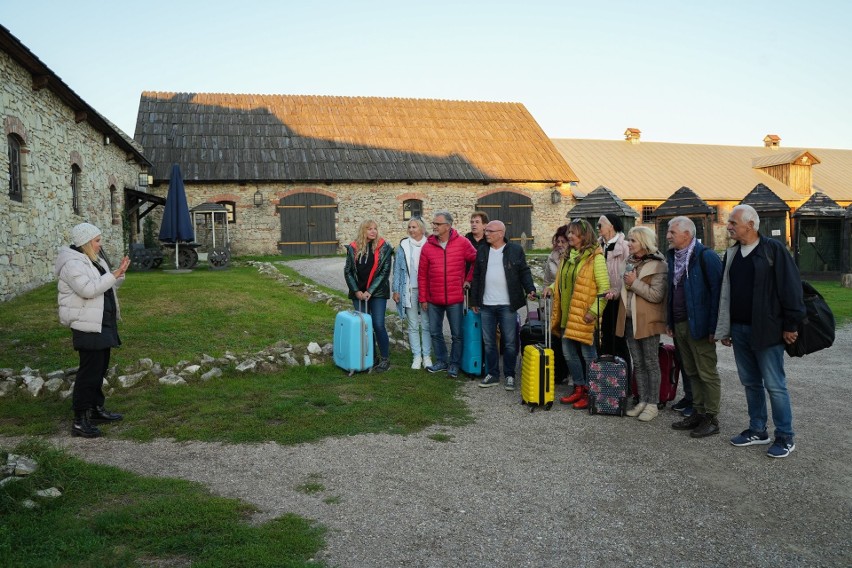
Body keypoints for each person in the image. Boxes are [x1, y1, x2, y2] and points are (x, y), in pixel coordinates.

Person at [715, 205, 805, 458]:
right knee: (751, 382)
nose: (729, 226)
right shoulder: (731, 253)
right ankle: (757, 429)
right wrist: (726, 327)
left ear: (751, 225)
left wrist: (791, 324)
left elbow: (791, 287)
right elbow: (727, 294)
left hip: (767, 329)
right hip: (739, 329)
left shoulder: (773, 250)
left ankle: (785, 436)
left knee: (775, 385)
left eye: (733, 222)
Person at [55, 222, 130, 438]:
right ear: (86, 243)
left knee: (100, 368)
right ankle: (79, 420)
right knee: (89, 373)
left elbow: (107, 285)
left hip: (101, 322)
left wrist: (120, 274)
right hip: (87, 325)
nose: (100, 244)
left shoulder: (93, 261)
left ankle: (96, 409)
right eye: (97, 241)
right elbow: (88, 290)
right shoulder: (72, 265)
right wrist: (113, 274)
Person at [665, 216, 723, 438]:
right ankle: (698, 412)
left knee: (706, 372)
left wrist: (714, 327)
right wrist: (670, 321)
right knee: (691, 371)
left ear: (687, 234)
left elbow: (718, 294)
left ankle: (711, 417)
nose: (668, 236)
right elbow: (673, 292)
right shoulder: (674, 257)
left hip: (699, 325)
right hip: (680, 324)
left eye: (672, 232)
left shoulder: (706, 257)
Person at [469, 220, 537, 391]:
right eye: (486, 231)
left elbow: (524, 271)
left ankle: (509, 375)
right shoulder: (483, 250)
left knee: (509, 342)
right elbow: (476, 276)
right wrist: (474, 301)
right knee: (489, 342)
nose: (486, 233)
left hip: (508, 304)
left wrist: (530, 289)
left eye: (490, 231)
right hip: (487, 304)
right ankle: (492, 373)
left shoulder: (515, 250)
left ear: (500, 233)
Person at [551, 218, 610, 409]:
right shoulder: (567, 256)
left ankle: (591, 392)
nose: (569, 236)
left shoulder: (596, 258)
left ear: (584, 236)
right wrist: (551, 288)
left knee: (588, 354)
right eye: (568, 232)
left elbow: (604, 289)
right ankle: (578, 387)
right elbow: (562, 280)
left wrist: (594, 312)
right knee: (568, 353)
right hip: (568, 314)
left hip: (584, 315)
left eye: (573, 233)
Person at [616, 226, 668, 422]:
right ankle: (642, 400)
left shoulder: (659, 265)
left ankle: (653, 403)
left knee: (651, 363)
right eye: (629, 240)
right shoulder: (629, 262)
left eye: (633, 241)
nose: (628, 244)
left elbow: (657, 295)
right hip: (630, 320)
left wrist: (634, 282)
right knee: (638, 363)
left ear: (643, 243)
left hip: (647, 321)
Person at [419, 211, 478, 378]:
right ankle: (441, 361)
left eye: (438, 224)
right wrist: (423, 298)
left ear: (448, 226)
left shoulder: (462, 243)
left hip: (455, 299)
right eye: (434, 224)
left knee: (457, 334)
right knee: (435, 332)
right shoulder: (428, 246)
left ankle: (454, 364)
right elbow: (422, 275)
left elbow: (476, 260)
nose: (434, 227)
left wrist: (468, 279)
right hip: (433, 299)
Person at [344, 219, 394, 373]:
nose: (373, 231)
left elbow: (384, 273)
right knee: (365, 326)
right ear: (363, 231)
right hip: (358, 293)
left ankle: (385, 358)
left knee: (378, 324)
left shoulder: (384, 248)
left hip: (377, 292)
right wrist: (356, 291)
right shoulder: (353, 248)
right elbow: (348, 271)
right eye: (369, 229)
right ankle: (370, 357)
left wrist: (370, 291)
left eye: (375, 228)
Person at [392, 217, 433, 370]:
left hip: (426, 291)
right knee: (413, 324)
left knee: (427, 324)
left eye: (414, 227)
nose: (411, 230)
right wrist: (396, 289)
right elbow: (397, 269)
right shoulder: (403, 245)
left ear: (422, 229)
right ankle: (417, 356)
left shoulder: (430, 244)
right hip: (408, 290)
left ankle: (427, 356)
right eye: (409, 227)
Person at [599, 215, 631, 370]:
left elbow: (630, 272)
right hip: (602, 298)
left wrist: (617, 291)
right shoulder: (598, 246)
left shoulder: (625, 246)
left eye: (600, 225)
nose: (598, 228)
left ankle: (623, 381)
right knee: (604, 337)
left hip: (619, 300)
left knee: (618, 339)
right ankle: (606, 379)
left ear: (610, 226)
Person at [543, 225, 569, 290]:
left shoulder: (574, 258)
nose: (559, 244)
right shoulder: (552, 257)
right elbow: (546, 281)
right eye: (558, 241)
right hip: (553, 297)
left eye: (563, 242)